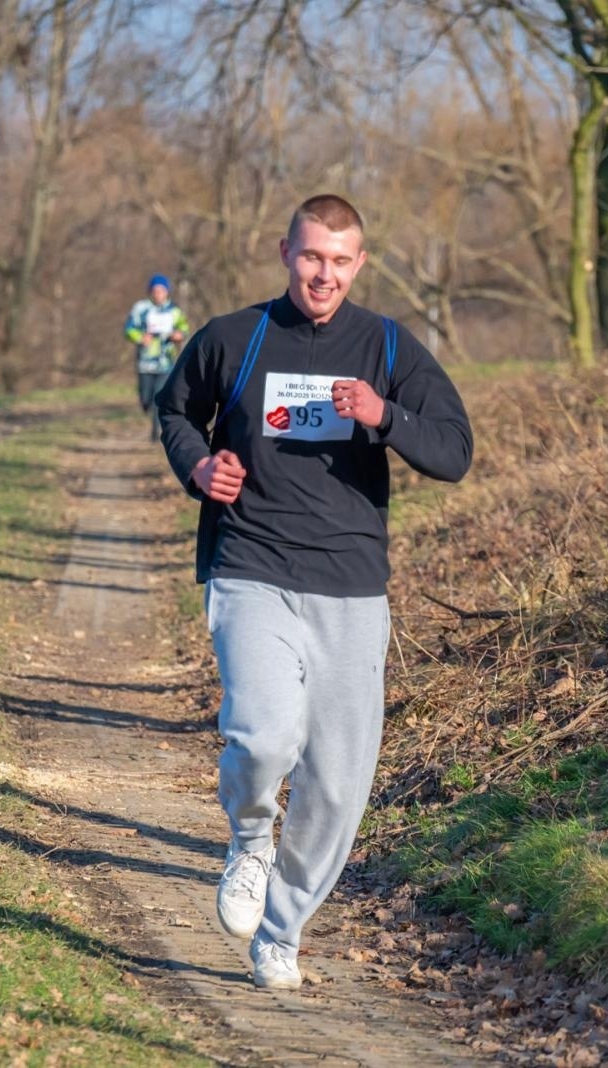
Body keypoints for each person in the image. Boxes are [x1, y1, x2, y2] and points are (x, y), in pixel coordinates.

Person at [155, 194, 473, 990]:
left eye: (339, 260)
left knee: (338, 781)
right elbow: (176, 411)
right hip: (252, 564)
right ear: (285, 253)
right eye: (310, 257)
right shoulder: (233, 337)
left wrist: (384, 414)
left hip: (352, 587)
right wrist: (198, 466)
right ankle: (252, 837)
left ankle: (282, 931)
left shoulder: (389, 346)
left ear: (359, 263)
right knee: (263, 736)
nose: (323, 273)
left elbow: (455, 450)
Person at [124, 274, 191, 440]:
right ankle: (147, 408)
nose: (158, 294)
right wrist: (140, 338)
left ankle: (156, 432)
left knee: (158, 397)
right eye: (155, 290)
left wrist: (179, 335)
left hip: (165, 362)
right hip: (144, 362)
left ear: (167, 292)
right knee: (146, 399)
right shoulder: (140, 308)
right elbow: (128, 329)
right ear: (150, 291)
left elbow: (184, 328)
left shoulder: (174, 311)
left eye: (162, 290)